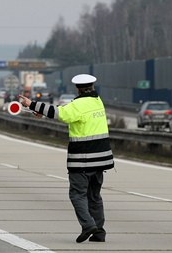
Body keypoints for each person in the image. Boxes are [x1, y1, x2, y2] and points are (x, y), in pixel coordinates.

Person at [19, 74, 114, 243]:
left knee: (77, 195)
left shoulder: (79, 104)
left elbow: (61, 113)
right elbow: (66, 112)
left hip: (83, 160)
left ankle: (88, 225)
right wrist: (43, 112)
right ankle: (99, 232)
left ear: (77, 88)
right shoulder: (97, 101)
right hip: (101, 160)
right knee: (94, 196)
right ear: (92, 87)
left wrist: (31, 104)